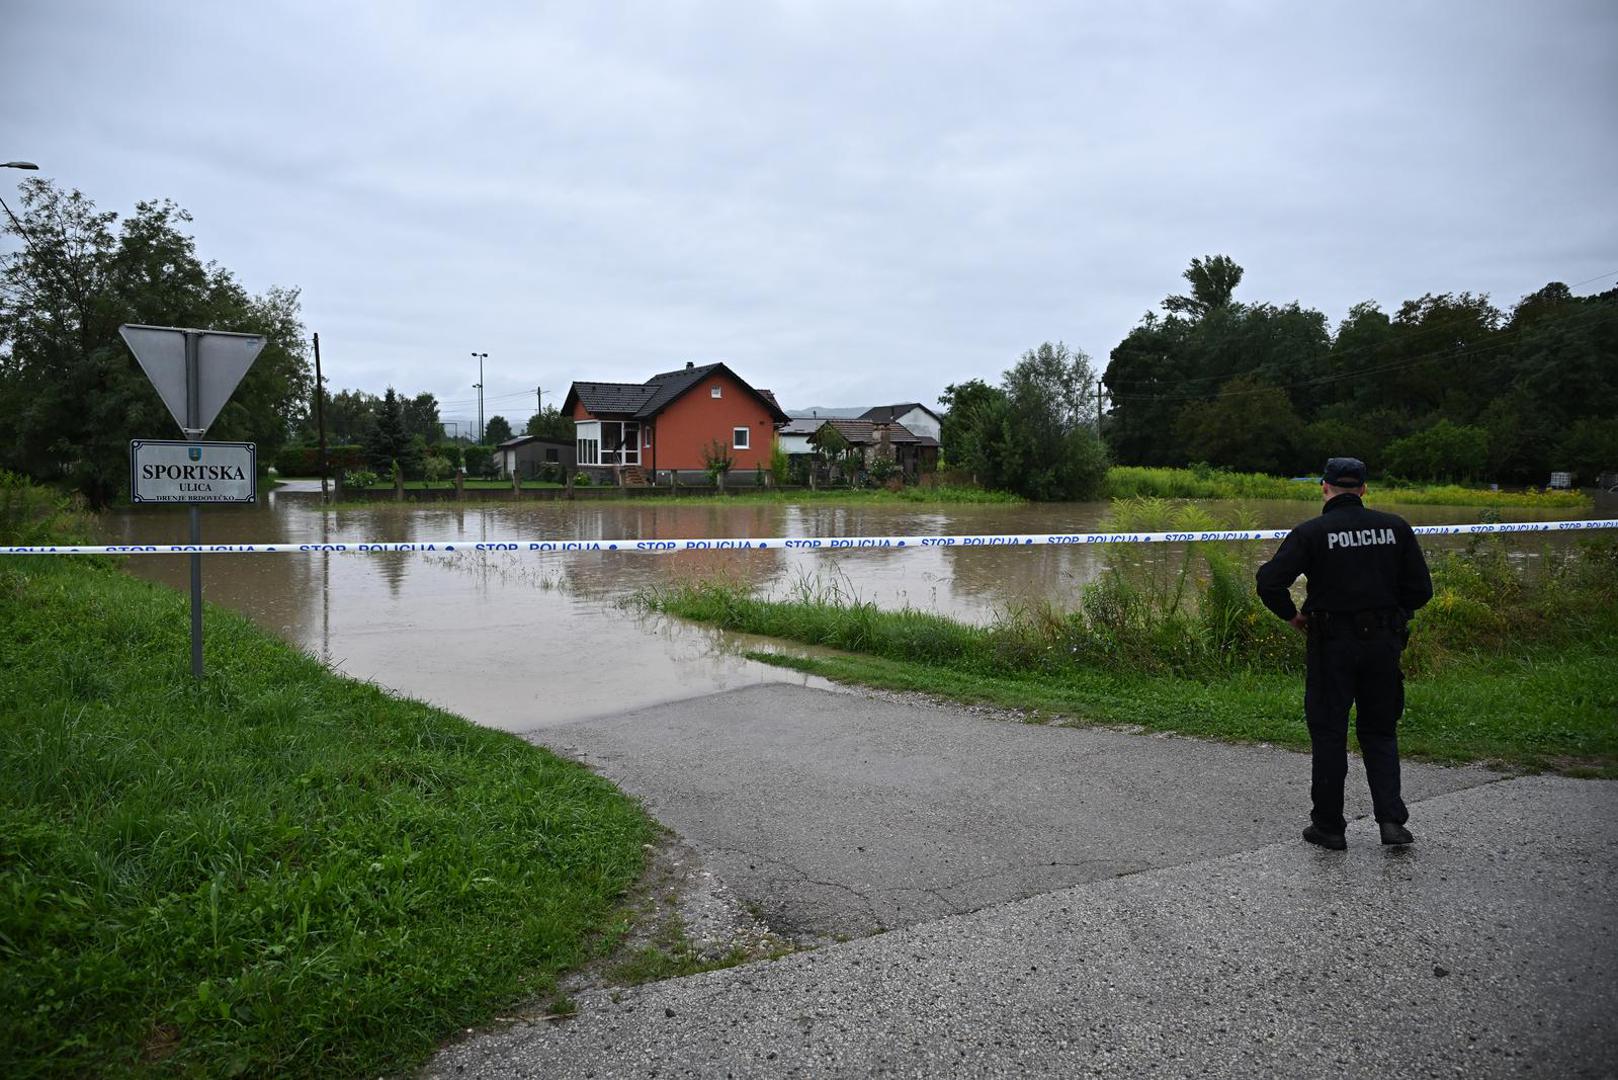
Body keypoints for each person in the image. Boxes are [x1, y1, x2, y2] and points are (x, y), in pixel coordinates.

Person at [1255, 457, 1433, 850]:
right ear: (1364, 489)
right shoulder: (1396, 528)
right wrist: (1394, 616)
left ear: (1324, 487)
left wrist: (1293, 616)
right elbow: (1421, 591)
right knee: (1380, 731)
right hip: (1383, 645)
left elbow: (1269, 581)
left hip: (1330, 644)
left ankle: (1329, 827)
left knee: (1330, 734)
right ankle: (1391, 822)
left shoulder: (1313, 532)